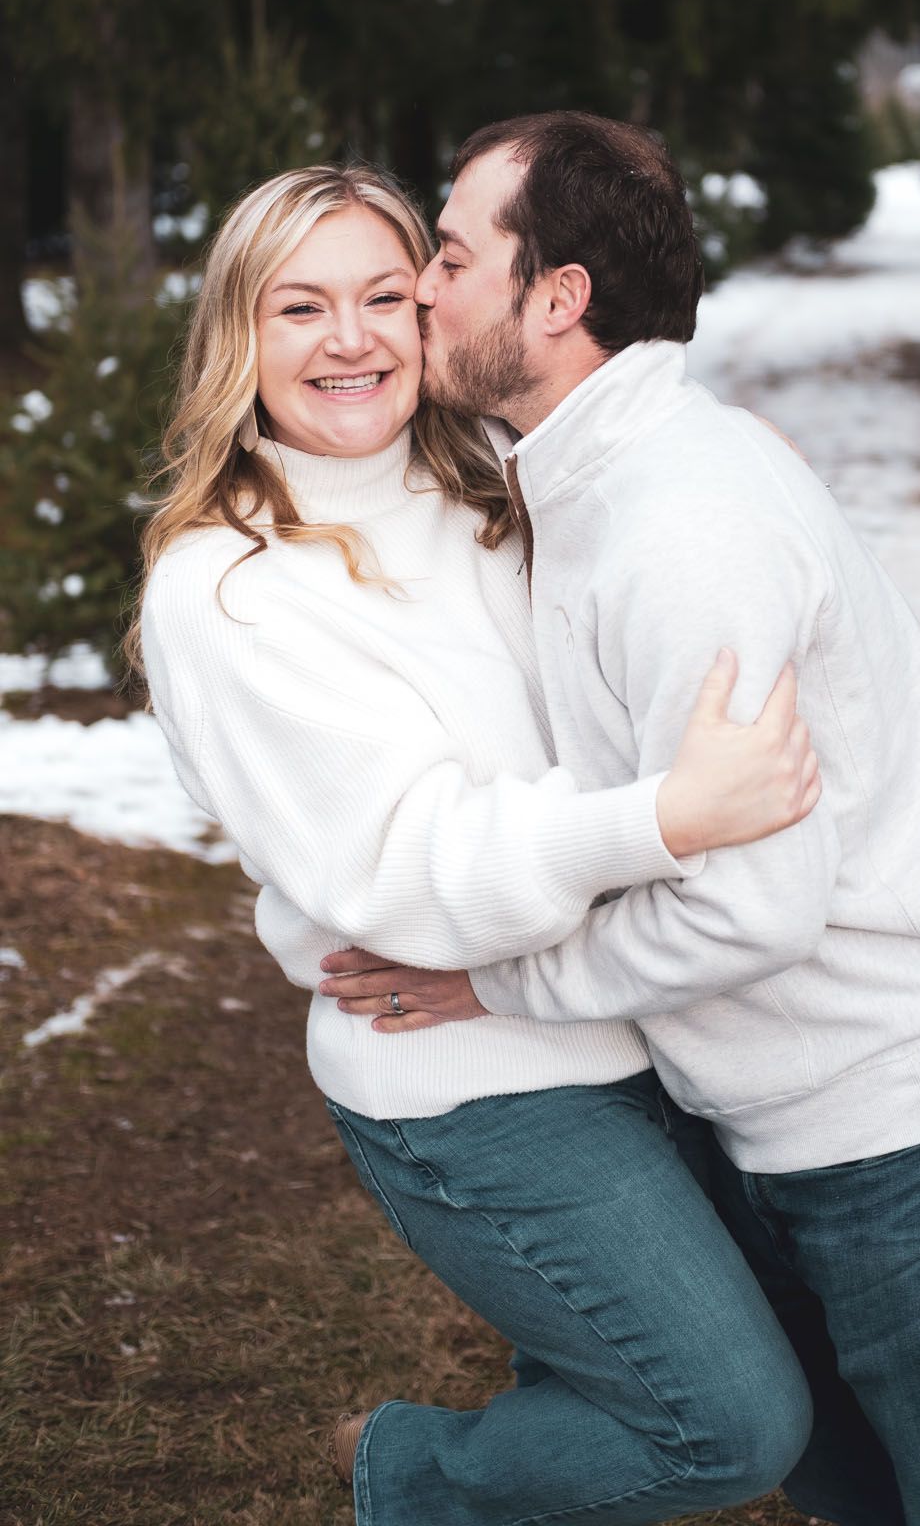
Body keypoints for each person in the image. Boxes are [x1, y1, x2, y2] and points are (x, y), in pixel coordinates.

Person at [323, 111, 920, 1526]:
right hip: (788, 1112)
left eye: (448, 256)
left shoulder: (680, 526)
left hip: (911, 1120)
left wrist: (487, 978)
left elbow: (753, 905)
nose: (417, 288)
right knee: (873, 1497)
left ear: (557, 297)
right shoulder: (594, 480)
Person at [132, 162, 825, 1526]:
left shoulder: (493, 494)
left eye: (386, 295)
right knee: (728, 1425)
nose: (351, 340)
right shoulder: (226, 585)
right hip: (468, 1078)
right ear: (238, 337)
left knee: (641, 1378)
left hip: (646, 1018)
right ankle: (413, 1480)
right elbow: (406, 875)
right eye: (301, 307)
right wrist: (665, 820)